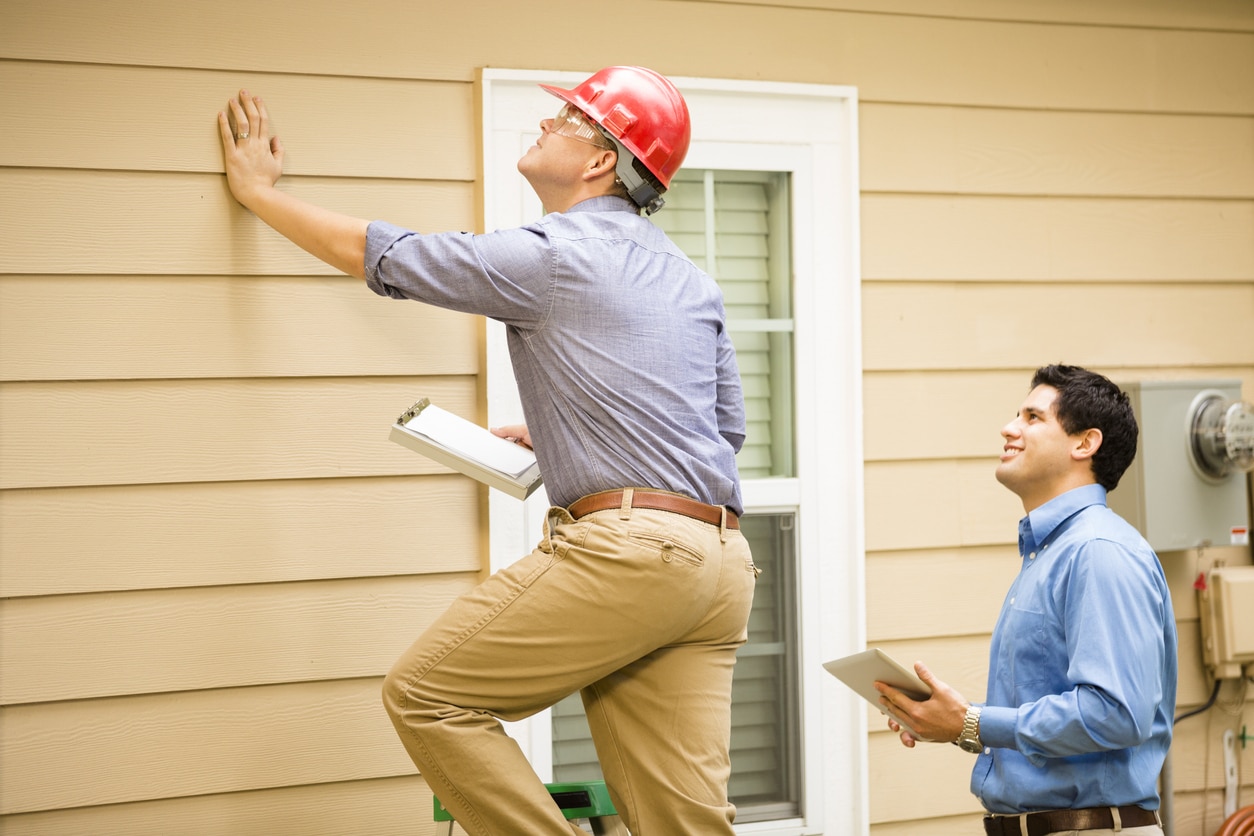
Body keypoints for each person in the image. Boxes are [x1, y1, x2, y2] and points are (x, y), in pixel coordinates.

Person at [217, 66, 756, 835]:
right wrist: (575, 427)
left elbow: (392, 257)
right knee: (685, 821)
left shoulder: (553, 253)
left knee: (427, 696)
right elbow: (719, 429)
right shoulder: (691, 280)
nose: (544, 126)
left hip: (631, 557)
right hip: (720, 564)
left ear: (602, 160)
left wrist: (259, 195)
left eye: (567, 118)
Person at [875, 364, 1177, 836]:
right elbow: (1049, 727)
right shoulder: (1051, 553)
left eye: (1033, 417)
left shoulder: (1098, 551)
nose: (1009, 427)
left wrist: (973, 721)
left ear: (1084, 443)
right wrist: (952, 722)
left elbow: (1116, 714)